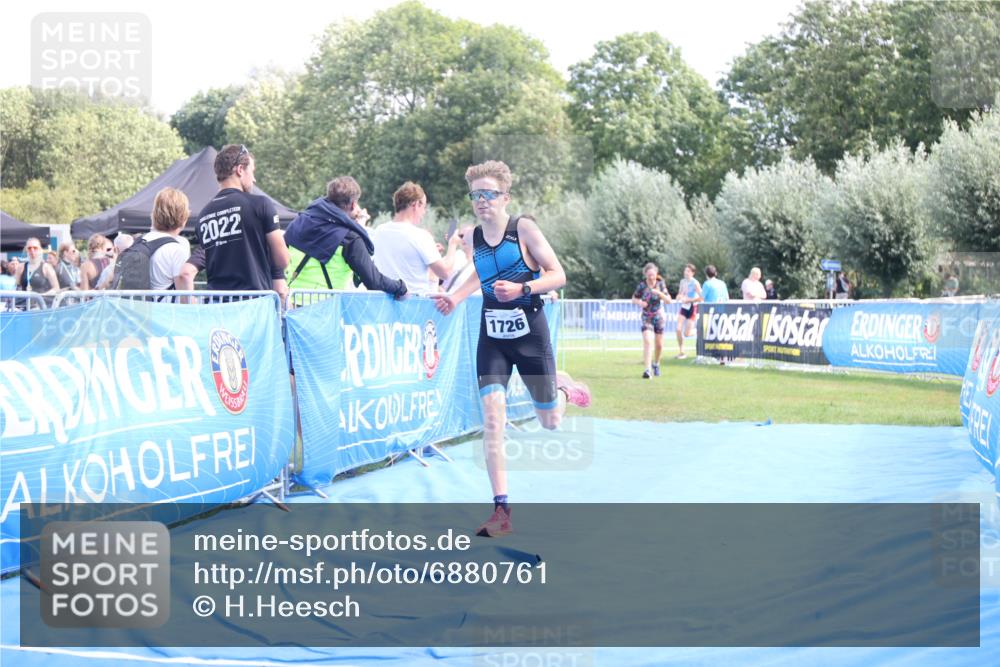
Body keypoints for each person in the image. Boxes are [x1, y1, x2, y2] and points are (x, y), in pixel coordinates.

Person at [432, 160, 591, 538]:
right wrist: (455, 298)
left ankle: (562, 386)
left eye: (489, 194)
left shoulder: (523, 229)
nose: (482, 201)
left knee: (550, 421)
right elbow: (479, 273)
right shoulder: (472, 238)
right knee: (492, 420)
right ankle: (501, 510)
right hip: (493, 337)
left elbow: (558, 274)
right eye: (476, 195)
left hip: (530, 334)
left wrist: (522, 288)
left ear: (506, 197)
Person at [284, 176, 407, 298]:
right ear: (353, 204)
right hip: (324, 308)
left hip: (292, 304)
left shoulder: (298, 223)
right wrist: (400, 287)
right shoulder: (350, 239)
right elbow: (374, 281)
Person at [196, 144, 290, 298]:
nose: (254, 179)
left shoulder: (203, 215)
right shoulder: (260, 204)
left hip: (217, 306)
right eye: (252, 172)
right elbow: (282, 260)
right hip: (252, 305)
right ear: (240, 170)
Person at [372, 182, 461, 294]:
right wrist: (453, 244)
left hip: (385, 304)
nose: (424, 213)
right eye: (423, 207)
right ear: (415, 204)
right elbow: (445, 273)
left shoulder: (379, 231)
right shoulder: (421, 236)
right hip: (413, 305)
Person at [631, 262, 671, 378]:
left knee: (659, 345)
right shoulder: (642, 286)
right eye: (649, 275)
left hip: (659, 315)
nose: (651, 277)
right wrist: (640, 302)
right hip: (646, 316)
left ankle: (656, 364)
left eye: (653, 275)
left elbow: (669, 300)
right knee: (648, 341)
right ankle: (647, 370)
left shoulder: (661, 284)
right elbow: (633, 298)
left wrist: (658, 293)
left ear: (656, 274)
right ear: (645, 275)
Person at [675, 263, 703, 360]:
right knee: (678, 329)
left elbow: (701, 298)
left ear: (693, 273)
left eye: (688, 271)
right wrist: (679, 297)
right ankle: (682, 351)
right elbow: (680, 293)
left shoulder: (695, 283)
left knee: (687, 334)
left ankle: (699, 331)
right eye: (685, 270)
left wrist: (689, 300)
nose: (685, 273)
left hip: (693, 308)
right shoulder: (682, 282)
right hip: (684, 307)